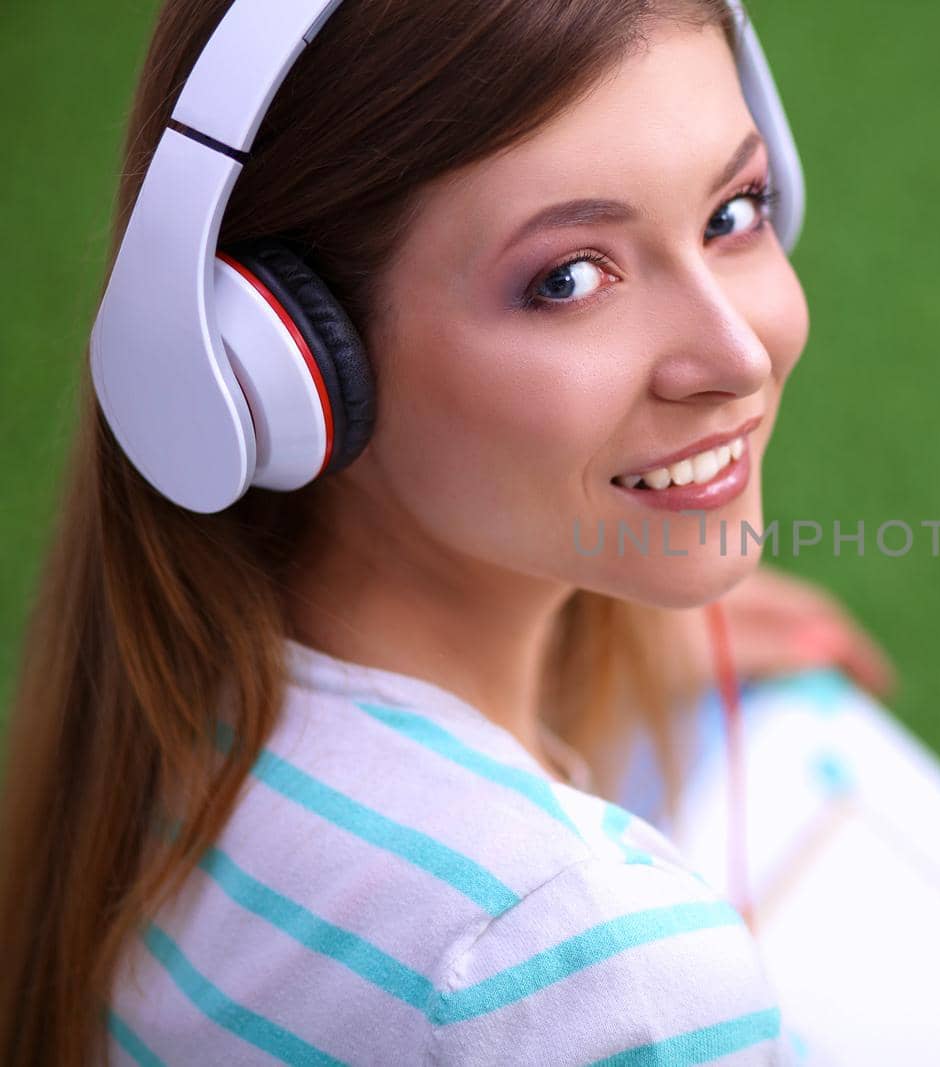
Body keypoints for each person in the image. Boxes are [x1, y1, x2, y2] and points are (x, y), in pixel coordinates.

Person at [0, 1, 893, 1063]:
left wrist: (593, 648)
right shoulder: (585, 958)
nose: (738, 354)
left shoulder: (170, 718)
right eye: (568, 278)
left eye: (733, 212)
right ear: (280, 365)